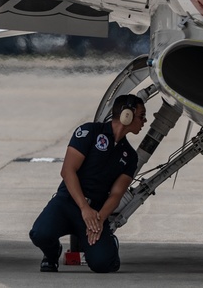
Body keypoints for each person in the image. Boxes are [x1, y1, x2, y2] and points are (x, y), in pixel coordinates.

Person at [29, 94, 147, 273]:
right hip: (68, 202)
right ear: (127, 115)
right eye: (141, 115)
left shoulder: (130, 156)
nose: (145, 120)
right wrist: (84, 208)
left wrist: (98, 220)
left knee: (104, 265)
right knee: (40, 234)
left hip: (96, 213)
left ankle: (109, 244)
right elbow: (67, 171)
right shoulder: (89, 132)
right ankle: (52, 254)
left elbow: (116, 194)